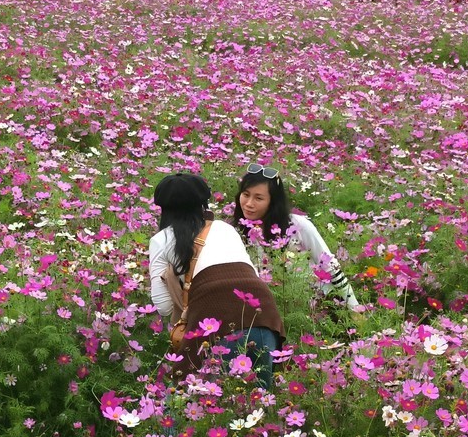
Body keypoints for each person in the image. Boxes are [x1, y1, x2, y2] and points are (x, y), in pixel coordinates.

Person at [149, 173, 284, 389]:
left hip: (218, 321)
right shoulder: (225, 228)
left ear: (163, 209)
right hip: (264, 314)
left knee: (202, 399)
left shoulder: (161, 239)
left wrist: (172, 277)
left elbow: (163, 307)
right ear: (203, 204)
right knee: (259, 400)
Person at [231, 163, 359, 309]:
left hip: (318, 303)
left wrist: (355, 310)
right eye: (246, 195)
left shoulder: (297, 225)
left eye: (258, 198)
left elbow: (331, 266)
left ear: (273, 202)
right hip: (275, 306)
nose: (248, 204)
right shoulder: (237, 231)